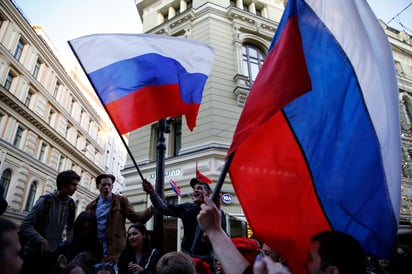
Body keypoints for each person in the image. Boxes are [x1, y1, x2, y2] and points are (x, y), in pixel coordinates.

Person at [142, 176, 226, 268]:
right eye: (194, 188)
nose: (195, 190)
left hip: (207, 261)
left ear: (208, 193)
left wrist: (213, 236)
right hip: (188, 259)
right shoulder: (187, 208)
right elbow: (164, 208)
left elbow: (225, 237)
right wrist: (152, 193)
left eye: (200, 188)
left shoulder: (217, 213)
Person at [19, 170, 80, 274]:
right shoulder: (46, 201)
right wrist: (41, 240)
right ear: (63, 184)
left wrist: (68, 247)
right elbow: (25, 225)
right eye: (73, 184)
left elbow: (70, 228)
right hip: (34, 253)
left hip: (54, 255)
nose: (75, 188)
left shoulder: (71, 204)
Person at [86, 174, 153, 264]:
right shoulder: (90, 206)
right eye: (104, 185)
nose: (107, 187)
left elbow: (137, 219)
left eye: (109, 185)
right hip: (95, 251)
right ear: (98, 186)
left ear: (112, 186)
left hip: (115, 252)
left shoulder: (120, 201)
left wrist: (153, 208)